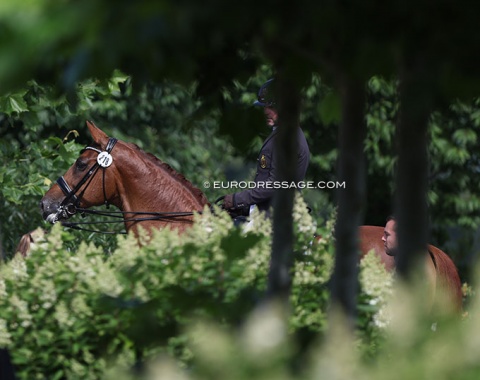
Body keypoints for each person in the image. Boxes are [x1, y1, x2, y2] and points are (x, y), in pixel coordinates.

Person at [222, 78, 310, 218]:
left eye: (271, 106)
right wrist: (244, 207)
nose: (266, 111)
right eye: (265, 106)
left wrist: (237, 199)